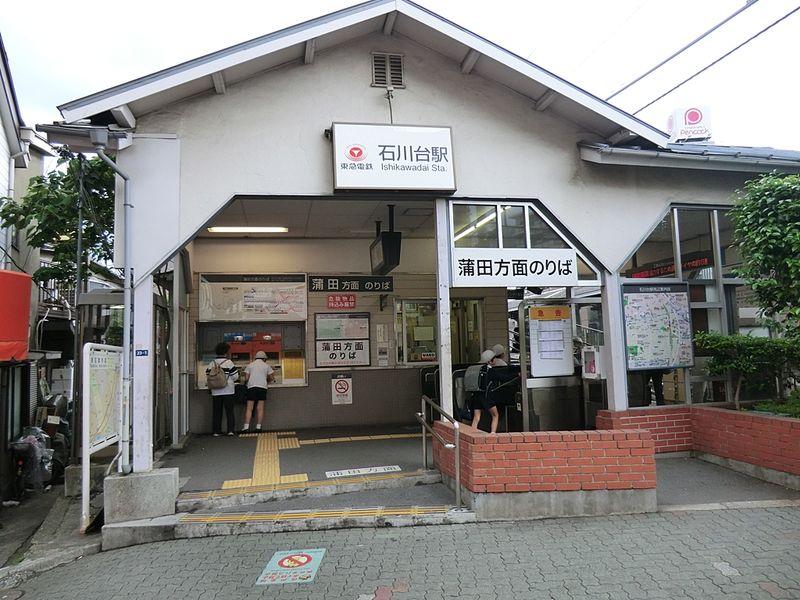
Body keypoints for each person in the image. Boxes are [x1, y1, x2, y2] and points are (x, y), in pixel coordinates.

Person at [206, 342, 239, 436]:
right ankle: (230, 430)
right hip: (228, 390)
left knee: (217, 411)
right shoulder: (229, 362)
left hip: (216, 391)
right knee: (229, 411)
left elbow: (208, 375)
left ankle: (216, 431)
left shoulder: (212, 363)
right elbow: (235, 376)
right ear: (226, 351)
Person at [242, 350, 275, 433]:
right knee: (260, 408)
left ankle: (246, 427)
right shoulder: (267, 366)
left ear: (255, 358)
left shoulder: (250, 365)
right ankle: (258, 427)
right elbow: (271, 378)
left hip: (251, 387)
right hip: (262, 387)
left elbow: (246, 378)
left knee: (249, 408)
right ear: (264, 359)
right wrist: (265, 379)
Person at [471, 349, 501, 433]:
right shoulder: (490, 371)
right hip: (486, 396)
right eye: (494, 358)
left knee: (476, 417)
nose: (495, 360)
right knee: (495, 415)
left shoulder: (476, 369)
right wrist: (516, 374)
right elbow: (502, 377)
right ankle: (492, 434)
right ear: (490, 361)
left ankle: (472, 434)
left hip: (476, 396)